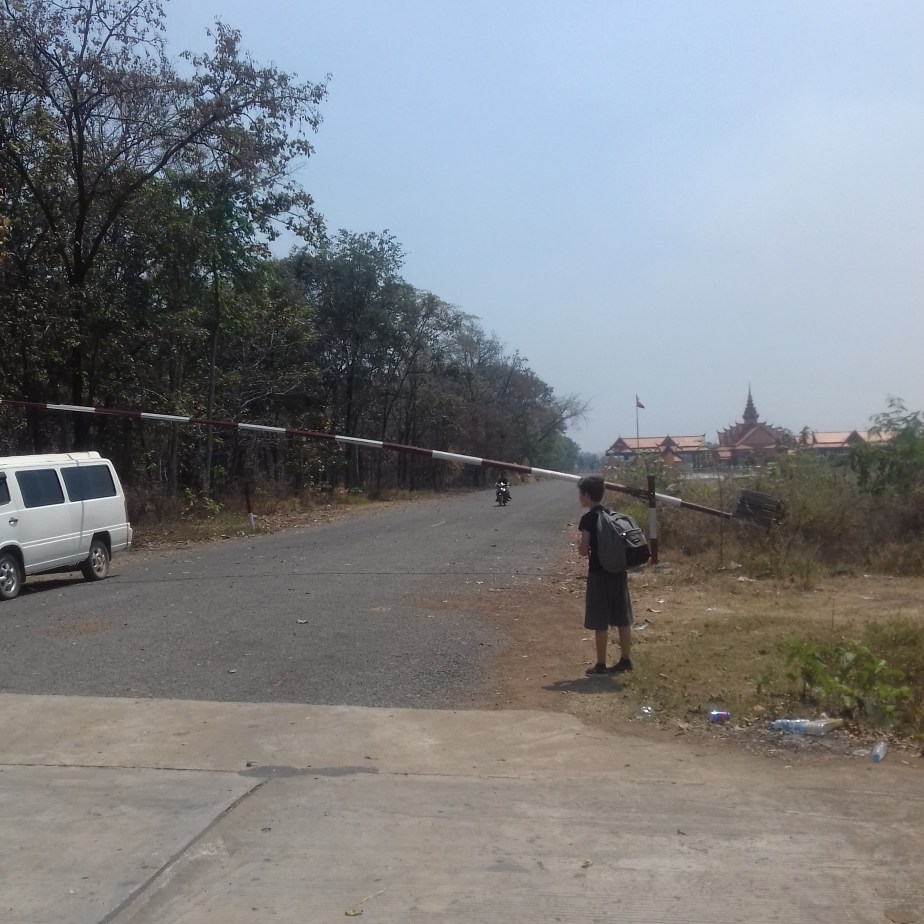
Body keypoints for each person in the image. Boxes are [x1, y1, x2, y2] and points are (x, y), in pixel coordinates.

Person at [576, 475, 633, 675]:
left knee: (600, 620)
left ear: (586, 495)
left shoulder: (588, 519)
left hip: (598, 575)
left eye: (580, 493)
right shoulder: (612, 515)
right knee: (622, 617)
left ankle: (601, 664)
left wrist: (579, 542)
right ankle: (625, 660)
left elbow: (583, 551)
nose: (579, 497)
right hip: (618, 572)